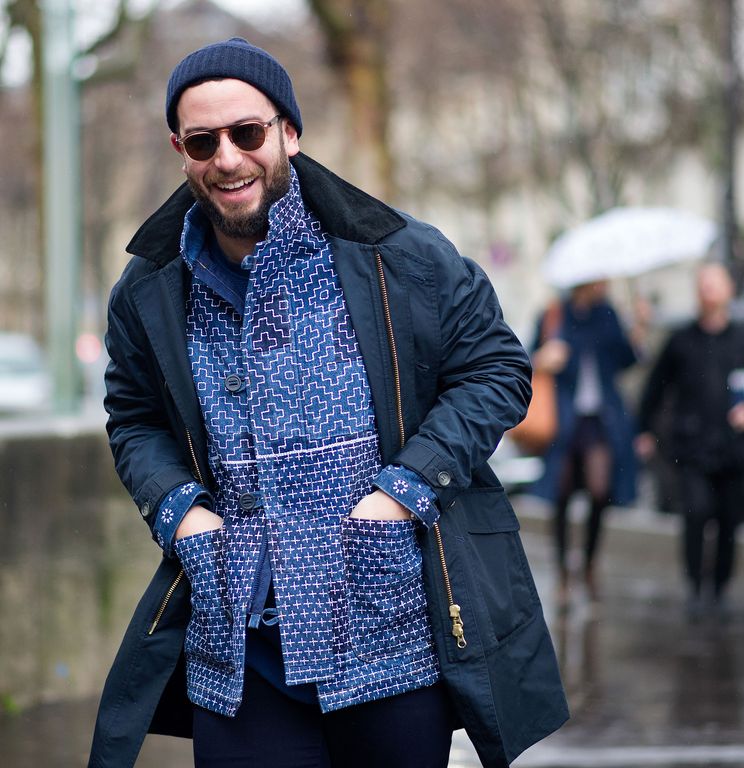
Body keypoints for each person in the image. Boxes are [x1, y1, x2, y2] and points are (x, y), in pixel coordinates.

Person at [88, 38, 568, 768]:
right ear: (179, 149)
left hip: (393, 639)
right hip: (239, 653)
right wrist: (180, 510)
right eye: (202, 140)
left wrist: (404, 492)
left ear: (289, 133)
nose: (228, 158)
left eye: (248, 133)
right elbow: (134, 417)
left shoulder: (400, 255)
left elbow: (496, 368)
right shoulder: (149, 290)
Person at [635, 262, 744, 620]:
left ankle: (720, 587)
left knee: (729, 520)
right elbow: (654, 387)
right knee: (696, 513)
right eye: (703, 284)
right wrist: (644, 429)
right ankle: (695, 585)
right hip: (692, 448)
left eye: (715, 283)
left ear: (728, 290)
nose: (709, 290)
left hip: (734, 450)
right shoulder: (681, 341)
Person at [528, 280, 644, 608]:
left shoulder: (607, 314)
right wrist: (542, 357)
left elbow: (625, 360)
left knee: (599, 489)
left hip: (599, 420)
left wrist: (638, 330)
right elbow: (524, 360)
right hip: (563, 420)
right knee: (561, 495)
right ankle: (564, 572)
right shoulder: (554, 315)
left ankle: (589, 563)